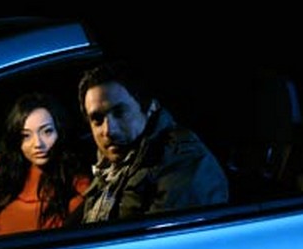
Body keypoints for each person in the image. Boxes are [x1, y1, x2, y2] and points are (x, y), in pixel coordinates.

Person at [76, 61, 229, 223]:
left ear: (149, 109)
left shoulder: (181, 159)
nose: (108, 130)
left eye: (120, 113)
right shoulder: (109, 168)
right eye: (97, 120)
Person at [0, 92, 91, 238]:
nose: (38, 144)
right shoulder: (3, 166)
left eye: (47, 132)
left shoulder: (73, 178)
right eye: (26, 136)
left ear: (60, 131)